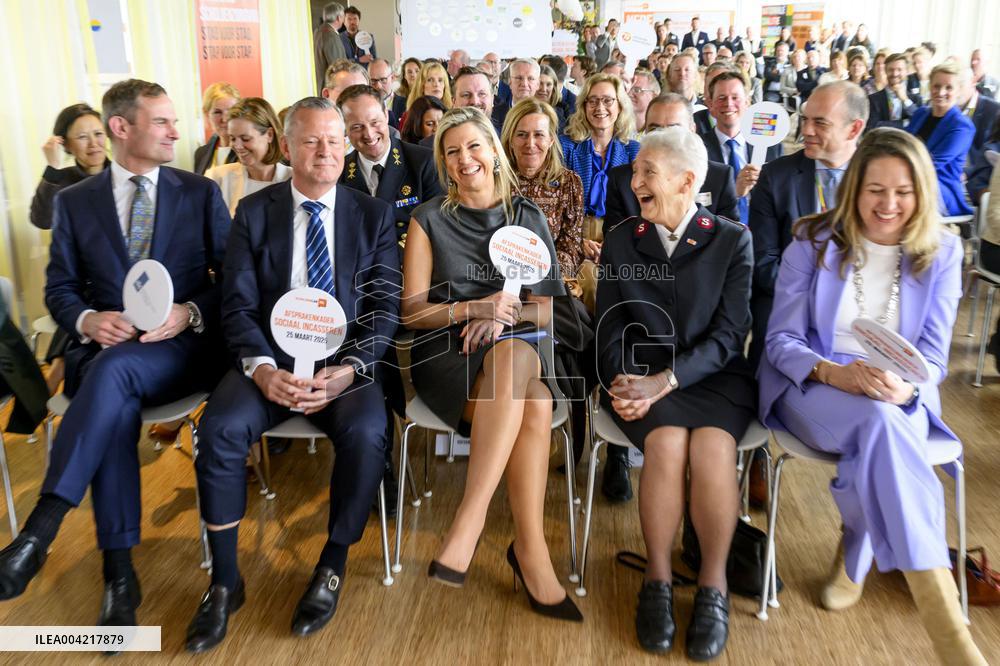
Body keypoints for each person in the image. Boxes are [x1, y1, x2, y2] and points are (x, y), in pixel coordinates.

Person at [0, 80, 230, 628]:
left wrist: (189, 312)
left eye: (174, 120)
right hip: (106, 352)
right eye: (162, 121)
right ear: (121, 127)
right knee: (115, 396)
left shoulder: (198, 192)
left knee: (112, 376)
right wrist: (87, 319)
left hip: (179, 350)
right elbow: (59, 289)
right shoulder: (75, 202)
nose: (176, 131)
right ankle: (119, 577)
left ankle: (43, 532)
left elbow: (234, 281)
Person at [758, 128, 987, 666]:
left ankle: (858, 543)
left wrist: (908, 385)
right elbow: (781, 340)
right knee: (881, 425)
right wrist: (835, 374)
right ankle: (949, 631)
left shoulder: (943, 252)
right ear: (854, 188)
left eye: (903, 192)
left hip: (898, 392)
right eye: (875, 190)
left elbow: (933, 356)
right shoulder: (811, 242)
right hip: (815, 383)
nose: (888, 204)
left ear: (921, 193)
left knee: (884, 421)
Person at [184, 96, 401, 651]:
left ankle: (332, 563)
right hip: (270, 362)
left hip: (342, 365)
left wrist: (351, 368)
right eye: (311, 141)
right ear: (287, 146)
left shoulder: (372, 215)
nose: (326, 151)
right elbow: (236, 305)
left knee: (368, 432)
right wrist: (260, 370)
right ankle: (225, 580)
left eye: (334, 140)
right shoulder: (254, 213)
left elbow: (384, 308)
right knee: (219, 429)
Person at [402, 106, 581, 622]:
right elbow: (411, 312)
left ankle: (472, 519)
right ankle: (528, 551)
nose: (465, 159)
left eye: (474, 146)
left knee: (514, 352)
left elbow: (546, 309)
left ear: (494, 152)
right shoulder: (428, 219)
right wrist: (474, 309)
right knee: (536, 404)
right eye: (452, 151)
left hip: (517, 343)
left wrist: (503, 315)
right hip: (449, 351)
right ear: (443, 162)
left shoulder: (527, 217)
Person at [596, 126, 754, 660]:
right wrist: (621, 381)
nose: (634, 181)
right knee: (665, 444)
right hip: (639, 376)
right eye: (635, 170)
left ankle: (713, 585)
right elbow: (610, 325)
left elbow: (729, 336)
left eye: (648, 172)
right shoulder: (622, 239)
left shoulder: (731, 240)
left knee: (712, 449)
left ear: (687, 182)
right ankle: (658, 579)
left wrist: (666, 380)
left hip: (714, 377)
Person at [748, 81, 868, 369]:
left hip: (861, 306)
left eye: (820, 123)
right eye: (805, 119)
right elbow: (764, 262)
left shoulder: (877, 179)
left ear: (853, 129)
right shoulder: (775, 178)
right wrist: (816, 299)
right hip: (790, 301)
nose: (807, 131)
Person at [605, 93, 739, 234]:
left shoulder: (719, 177)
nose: (663, 138)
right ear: (645, 132)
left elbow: (729, 239)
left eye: (674, 130)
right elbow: (614, 240)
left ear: (692, 130)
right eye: (655, 130)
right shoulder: (622, 180)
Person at [338, 85, 442, 248]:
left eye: (374, 122)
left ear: (386, 116)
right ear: (345, 129)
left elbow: (437, 230)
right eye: (357, 127)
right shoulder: (339, 173)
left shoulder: (423, 163)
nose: (369, 134)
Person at [560, 73, 639, 267]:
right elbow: (556, 204)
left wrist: (614, 244)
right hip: (572, 237)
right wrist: (577, 241)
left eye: (608, 100)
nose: (600, 108)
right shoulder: (566, 147)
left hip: (620, 238)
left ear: (620, 106)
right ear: (583, 106)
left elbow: (638, 208)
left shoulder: (633, 151)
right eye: (593, 101)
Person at [501, 98, 584, 281]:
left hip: (550, 278)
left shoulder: (569, 183)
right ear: (510, 139)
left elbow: (571, 246)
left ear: (551, 140)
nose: (530, 143)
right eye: (522, 134)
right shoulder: (495, 180)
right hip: (499, 275)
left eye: (539, 135)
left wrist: (547, 279)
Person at [699, 70, 783, 224]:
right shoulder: (698, 150)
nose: (729, 104)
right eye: (721, 98)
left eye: (735, 97)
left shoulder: (770, 145)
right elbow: (697, 208)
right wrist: (733, 192)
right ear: (710, 104)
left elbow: (782, 197)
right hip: (719, 230)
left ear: (747, 102)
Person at [907, 63, 976, 216]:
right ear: (930, 86)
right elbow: (903, 145)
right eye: (936, 86)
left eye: (948, 87)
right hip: (909, 179)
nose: (941, 92)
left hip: (939, 190)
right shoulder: (921, 113)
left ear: (958, 90)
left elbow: (932, 163)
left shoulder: (962, 126)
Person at [206, 97, 292, 217]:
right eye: (233, 138)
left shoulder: (293, 179)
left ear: (269, 135)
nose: (237, 146)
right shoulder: (218, 178)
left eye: (245, 139)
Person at [194, 82, 240, 175]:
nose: (224, 119)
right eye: (217, 112)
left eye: (231, 111)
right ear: (207, 114)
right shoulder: (201, 154)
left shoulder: (248, 152)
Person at [867, 53, 922, 131]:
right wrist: (904, 123)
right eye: (891, 70)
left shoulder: (916, 99)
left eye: (899, 69)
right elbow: (872, 126)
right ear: (885, 71)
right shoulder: (873, 99)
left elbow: (920, 122)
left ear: (906, 71)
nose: (895, 74)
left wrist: (905, 100)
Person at [313, 2, 347, 94]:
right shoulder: (330, 35)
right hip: (331, 88)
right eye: (343, 16)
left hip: (321, 85)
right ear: (338, 18)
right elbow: (338, 66)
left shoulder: (318, 31)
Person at [536, 64, 568, 129]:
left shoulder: (564, 111)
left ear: (554, 88)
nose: (544, 89)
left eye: (548, 84)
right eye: (540, 84)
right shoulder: (522, 108)